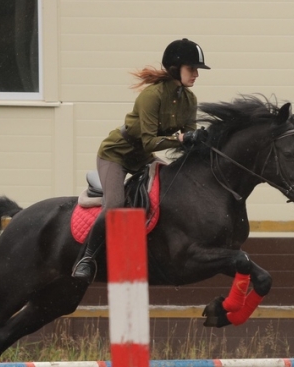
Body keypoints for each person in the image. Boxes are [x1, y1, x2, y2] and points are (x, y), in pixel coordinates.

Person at [71, 38, 211, 281]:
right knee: (114, 204)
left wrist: (201, 143)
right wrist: (181, 139)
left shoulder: (190, 100)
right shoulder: (152, 96)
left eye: (197, 69)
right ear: (176, 68)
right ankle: (85, 259)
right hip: (116, 155)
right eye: (192, 68)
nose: (197, 74)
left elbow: (187, 141)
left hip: (144, 157)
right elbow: (150, 141)